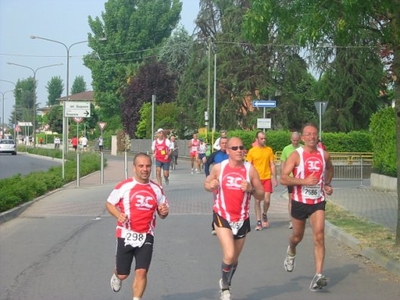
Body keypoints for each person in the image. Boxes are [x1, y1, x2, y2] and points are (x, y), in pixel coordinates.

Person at [204, 137, 265, 300]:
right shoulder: (219, 168)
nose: (239, 150)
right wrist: (211, 185)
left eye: (241, 147)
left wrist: (251, 189)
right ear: (228, 151)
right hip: (222, 215)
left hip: (242, 219)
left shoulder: (249, 169)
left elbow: (262, 193)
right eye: (235, 148)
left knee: (234, 259)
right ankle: (224, 288)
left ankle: (226, 282)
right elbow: (207, 183)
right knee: (229, 254)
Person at [106, 152, 169, 300]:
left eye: (147, 166)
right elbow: (109, 203)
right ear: (134, 168)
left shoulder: (157, 189)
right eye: (141, 166)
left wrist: (163, 211)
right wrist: (118, 214)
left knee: (141, 272)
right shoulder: (125, 186)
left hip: (146, 235)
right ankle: (117, 274)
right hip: (126, 233)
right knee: (123, 274)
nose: (145, 169)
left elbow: (163, 212)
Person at [280, 123, 333, 291]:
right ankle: (291, 250)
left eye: (314, 134)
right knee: (297, 236)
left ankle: (318, 275)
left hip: (317, 201)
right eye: (308, 134)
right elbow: (283, 178)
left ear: (317, 137)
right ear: (302, 138)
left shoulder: (324, 155)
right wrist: (304, 181)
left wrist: (327, 184)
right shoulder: (296, 156)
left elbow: (330, 169)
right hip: (299, 202)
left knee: (319, 236)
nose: (311, 137)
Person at [245, 131, 278, 230]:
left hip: (267, 177)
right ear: (257, 139)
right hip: (256, 180)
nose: (264, 140)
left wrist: (274, 178)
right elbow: (248, 166)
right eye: (261, 139)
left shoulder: (269, 150)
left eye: (264, 138)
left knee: (267, 200)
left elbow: (272, 164)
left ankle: (264, 213)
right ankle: (259, 221)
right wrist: (248, 179)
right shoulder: (252, 151)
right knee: (257, 201)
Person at [204, 136, 229, 235]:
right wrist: (208, 177)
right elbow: (206, 164)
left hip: (228, 184)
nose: (224, 145)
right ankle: (214, 225)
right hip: (217, 184)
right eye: (222, 143)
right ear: (219, 144)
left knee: (227, 204)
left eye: (226, 143)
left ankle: (227, 223)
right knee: (217, 204)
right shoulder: (215, 155)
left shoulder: (231, 155)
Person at [280, 131, 301, 229]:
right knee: (291, 199)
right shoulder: (286, 149)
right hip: (290, 178)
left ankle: (300, 219)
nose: (295, 142)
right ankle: (292, 220)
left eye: (297, 140)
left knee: (301, 200)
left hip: (301, 179)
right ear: (291, 139)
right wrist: (283, 176)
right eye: (293, 140)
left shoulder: (303, 149)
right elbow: (283, 164)